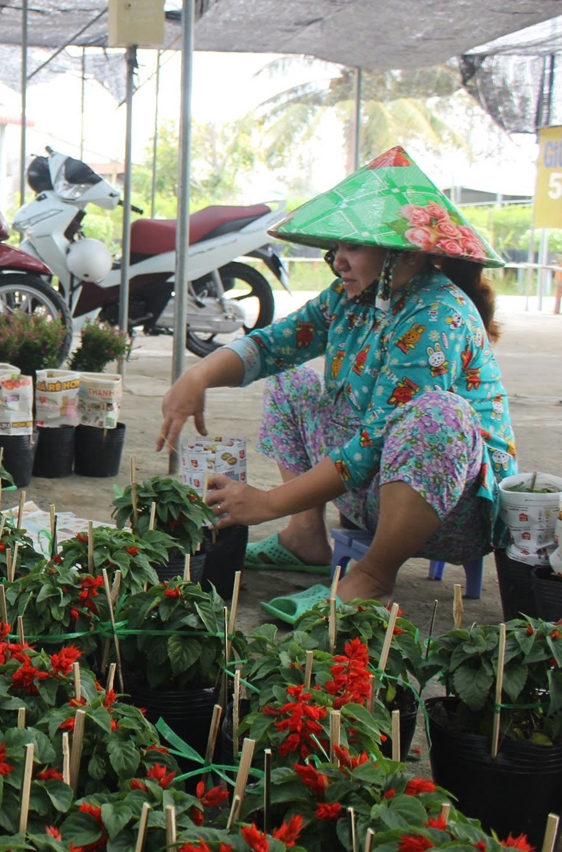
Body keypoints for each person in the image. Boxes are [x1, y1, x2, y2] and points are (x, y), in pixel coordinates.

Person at [157, 147, 517, 607]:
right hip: (372, 491)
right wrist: (198, 376)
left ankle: (374, 574)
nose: (338, 261)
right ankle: (305, 536)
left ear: (404, 254)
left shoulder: (437, 316)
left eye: (354, 247)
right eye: (338, 248)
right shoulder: (351, 298)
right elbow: (274, 345)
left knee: (436, 416)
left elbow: (372, 444)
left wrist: (266, 501)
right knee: (291, 380)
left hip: (451, 511)